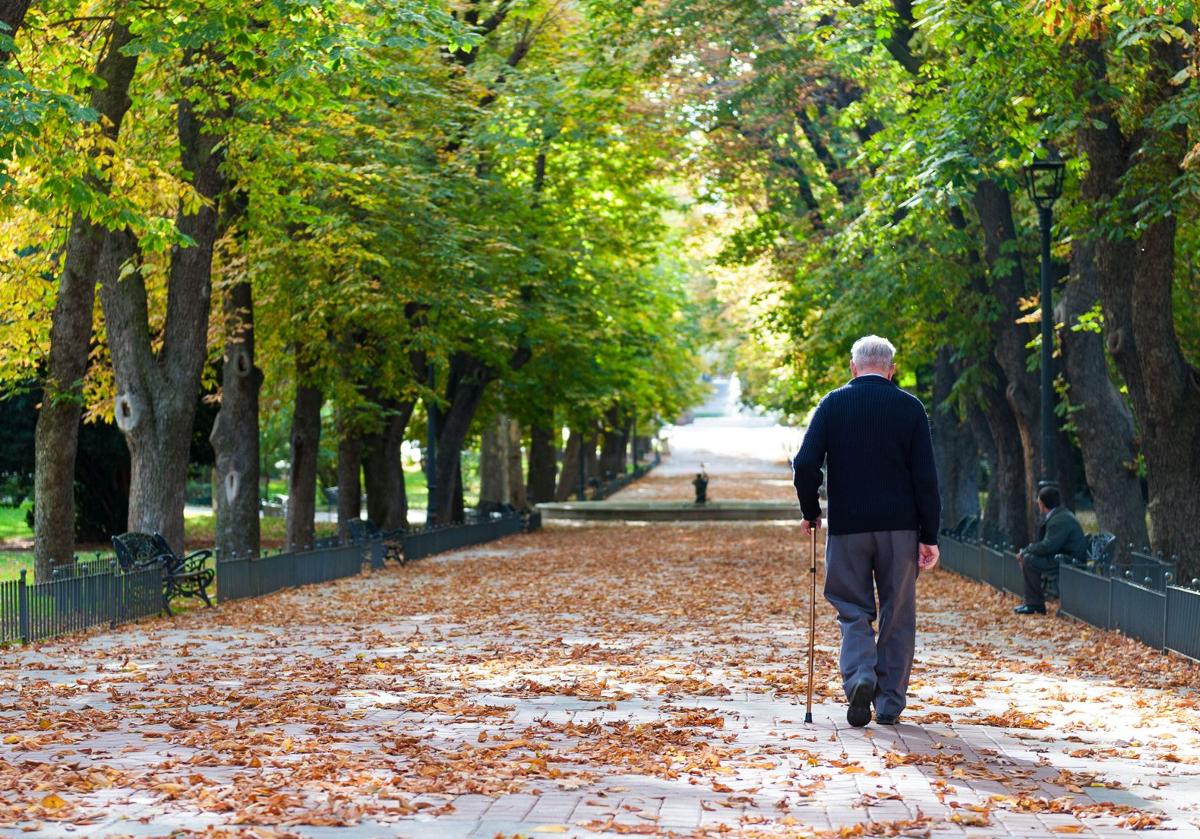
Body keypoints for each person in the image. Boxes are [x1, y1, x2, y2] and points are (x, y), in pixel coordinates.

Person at [792, 335, 940, 728]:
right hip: (900, 529)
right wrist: (930, 534)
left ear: (853, 367)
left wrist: (811, 510)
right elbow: (926, 477)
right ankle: (889, 703)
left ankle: (860, 675)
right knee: (898, 612)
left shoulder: (833, 404)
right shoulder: (910, 408)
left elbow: (805, 463)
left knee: (851, 607)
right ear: (892, 370)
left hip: (848, 530)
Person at [1014, 485, 1087, 615]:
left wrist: (1026, 551)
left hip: (1067, 560)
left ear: (1042, 504)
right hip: (1065, 556)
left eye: (1038, 500)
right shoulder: (1061, 515)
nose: (1037, 503)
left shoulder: (1058, 521)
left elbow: (1048, 546)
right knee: (1028, 558)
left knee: (1029, 560)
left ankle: (1035, 604)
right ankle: (1033, 602)